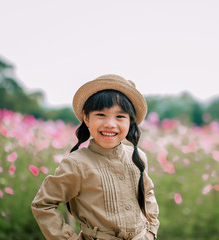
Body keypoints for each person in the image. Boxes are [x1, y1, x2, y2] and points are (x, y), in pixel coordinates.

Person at [31, 74, 159, 240]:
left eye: (120, 116)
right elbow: (43, 204)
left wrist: (150, 230)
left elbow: (147, 194)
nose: (110, 124)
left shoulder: (138, 157)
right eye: (101, 115)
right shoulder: (76, 163)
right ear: (86, 118)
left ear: (131, 122)